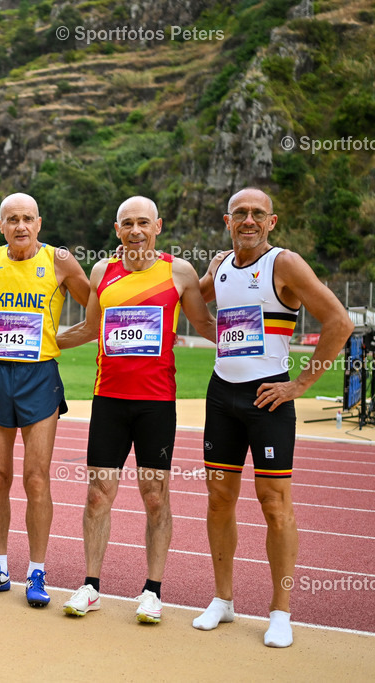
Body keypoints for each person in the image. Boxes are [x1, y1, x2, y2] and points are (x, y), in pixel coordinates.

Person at [194, 187, 351, 647]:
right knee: (219, 499)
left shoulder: (284, 264)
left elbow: (338, 321)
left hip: (269, 399)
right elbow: (187, 302)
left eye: (256, 214)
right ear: (226, 221)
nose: (247, 220)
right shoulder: (220, 266)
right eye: (239, 213)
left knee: (274, 503)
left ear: (271, 221)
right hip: (222, 395)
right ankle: (223, 601)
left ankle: (280, 611)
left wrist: (299, 385)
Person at [55, 196, 215, 622]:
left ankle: (152, 591)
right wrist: (41, 343)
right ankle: (90, 586)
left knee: (156, 498)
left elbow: (204, 324)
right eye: (128, 223)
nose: (136, 230)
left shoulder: (178, 272)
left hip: (156, 405)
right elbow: (90, 327)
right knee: (97, 495)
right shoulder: (102, 271)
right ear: (117, 228)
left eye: (143, 222)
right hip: (108, 401)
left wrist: (256, 346)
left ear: (158, 225)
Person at [0, 192, 90, 606]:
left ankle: (37, 572)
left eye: (27, 219)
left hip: (40, 377)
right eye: (11, 219)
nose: (20, 226)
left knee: (36, 478)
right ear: (1, 225)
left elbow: (97, 310)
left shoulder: (59, 261)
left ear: (39, 222)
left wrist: (58, 341)